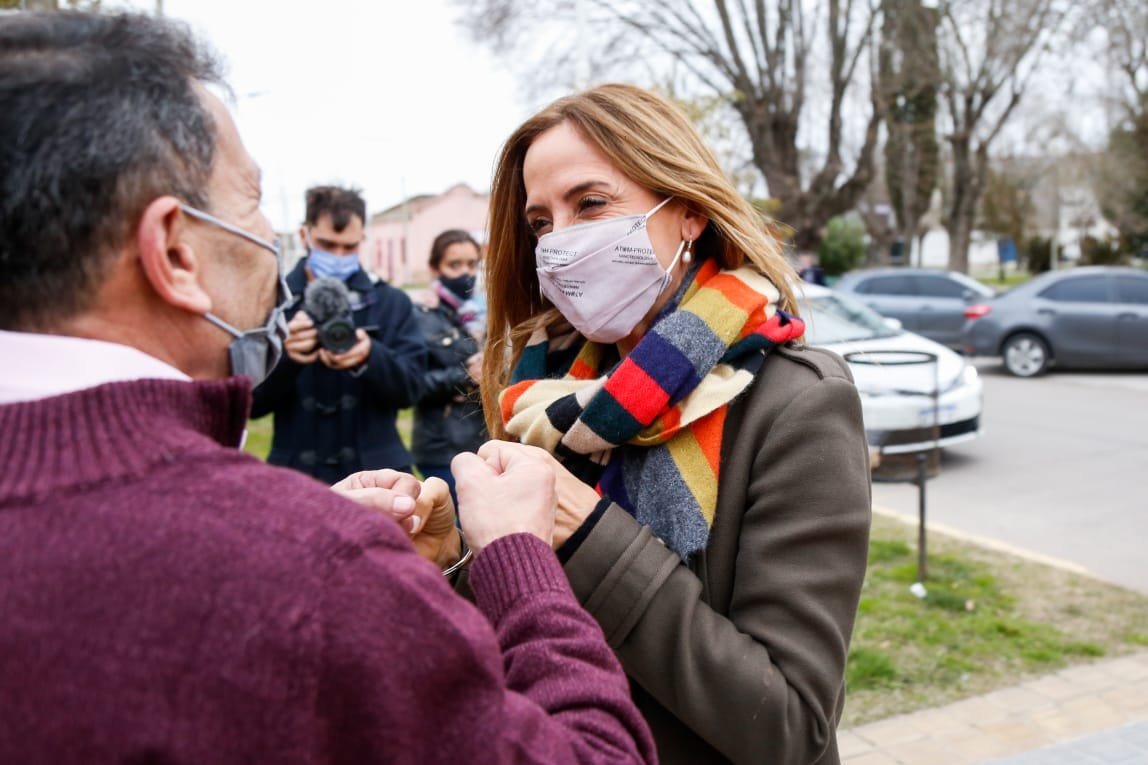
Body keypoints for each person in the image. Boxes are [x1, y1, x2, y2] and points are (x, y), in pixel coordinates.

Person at [0, 13, 657, 764]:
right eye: (249, 205)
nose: (266, 243)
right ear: (175, 250)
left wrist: (283, 536)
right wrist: (515, 559)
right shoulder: (312, 573)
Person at [480, 83, 872, 764]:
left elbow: (790, 724)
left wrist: (590, 533)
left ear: (686, 212)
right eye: (541, 223)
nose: (561, 245)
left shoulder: (796, 404)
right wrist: (450, 556)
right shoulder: (541, 399)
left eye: (591, 204)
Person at [250, 185, 425, 483]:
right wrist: (285, 357)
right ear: (304, 235)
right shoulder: (272, 301)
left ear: (362, 241)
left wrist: (371, 355)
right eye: (327, 245)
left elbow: (413, 389)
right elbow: (250, 403)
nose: (338, 256)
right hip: (298, 472)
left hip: (377, 470)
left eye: (349, 247)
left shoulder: (390, 301)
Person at [411, 229, 487, 502]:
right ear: (435, 268)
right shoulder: (419, 317)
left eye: (471, 264)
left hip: (484, 443)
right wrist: (465, 376)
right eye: (454, 265)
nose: (465, 273)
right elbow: (410, 383)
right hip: (442, 447)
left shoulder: (484, 315)